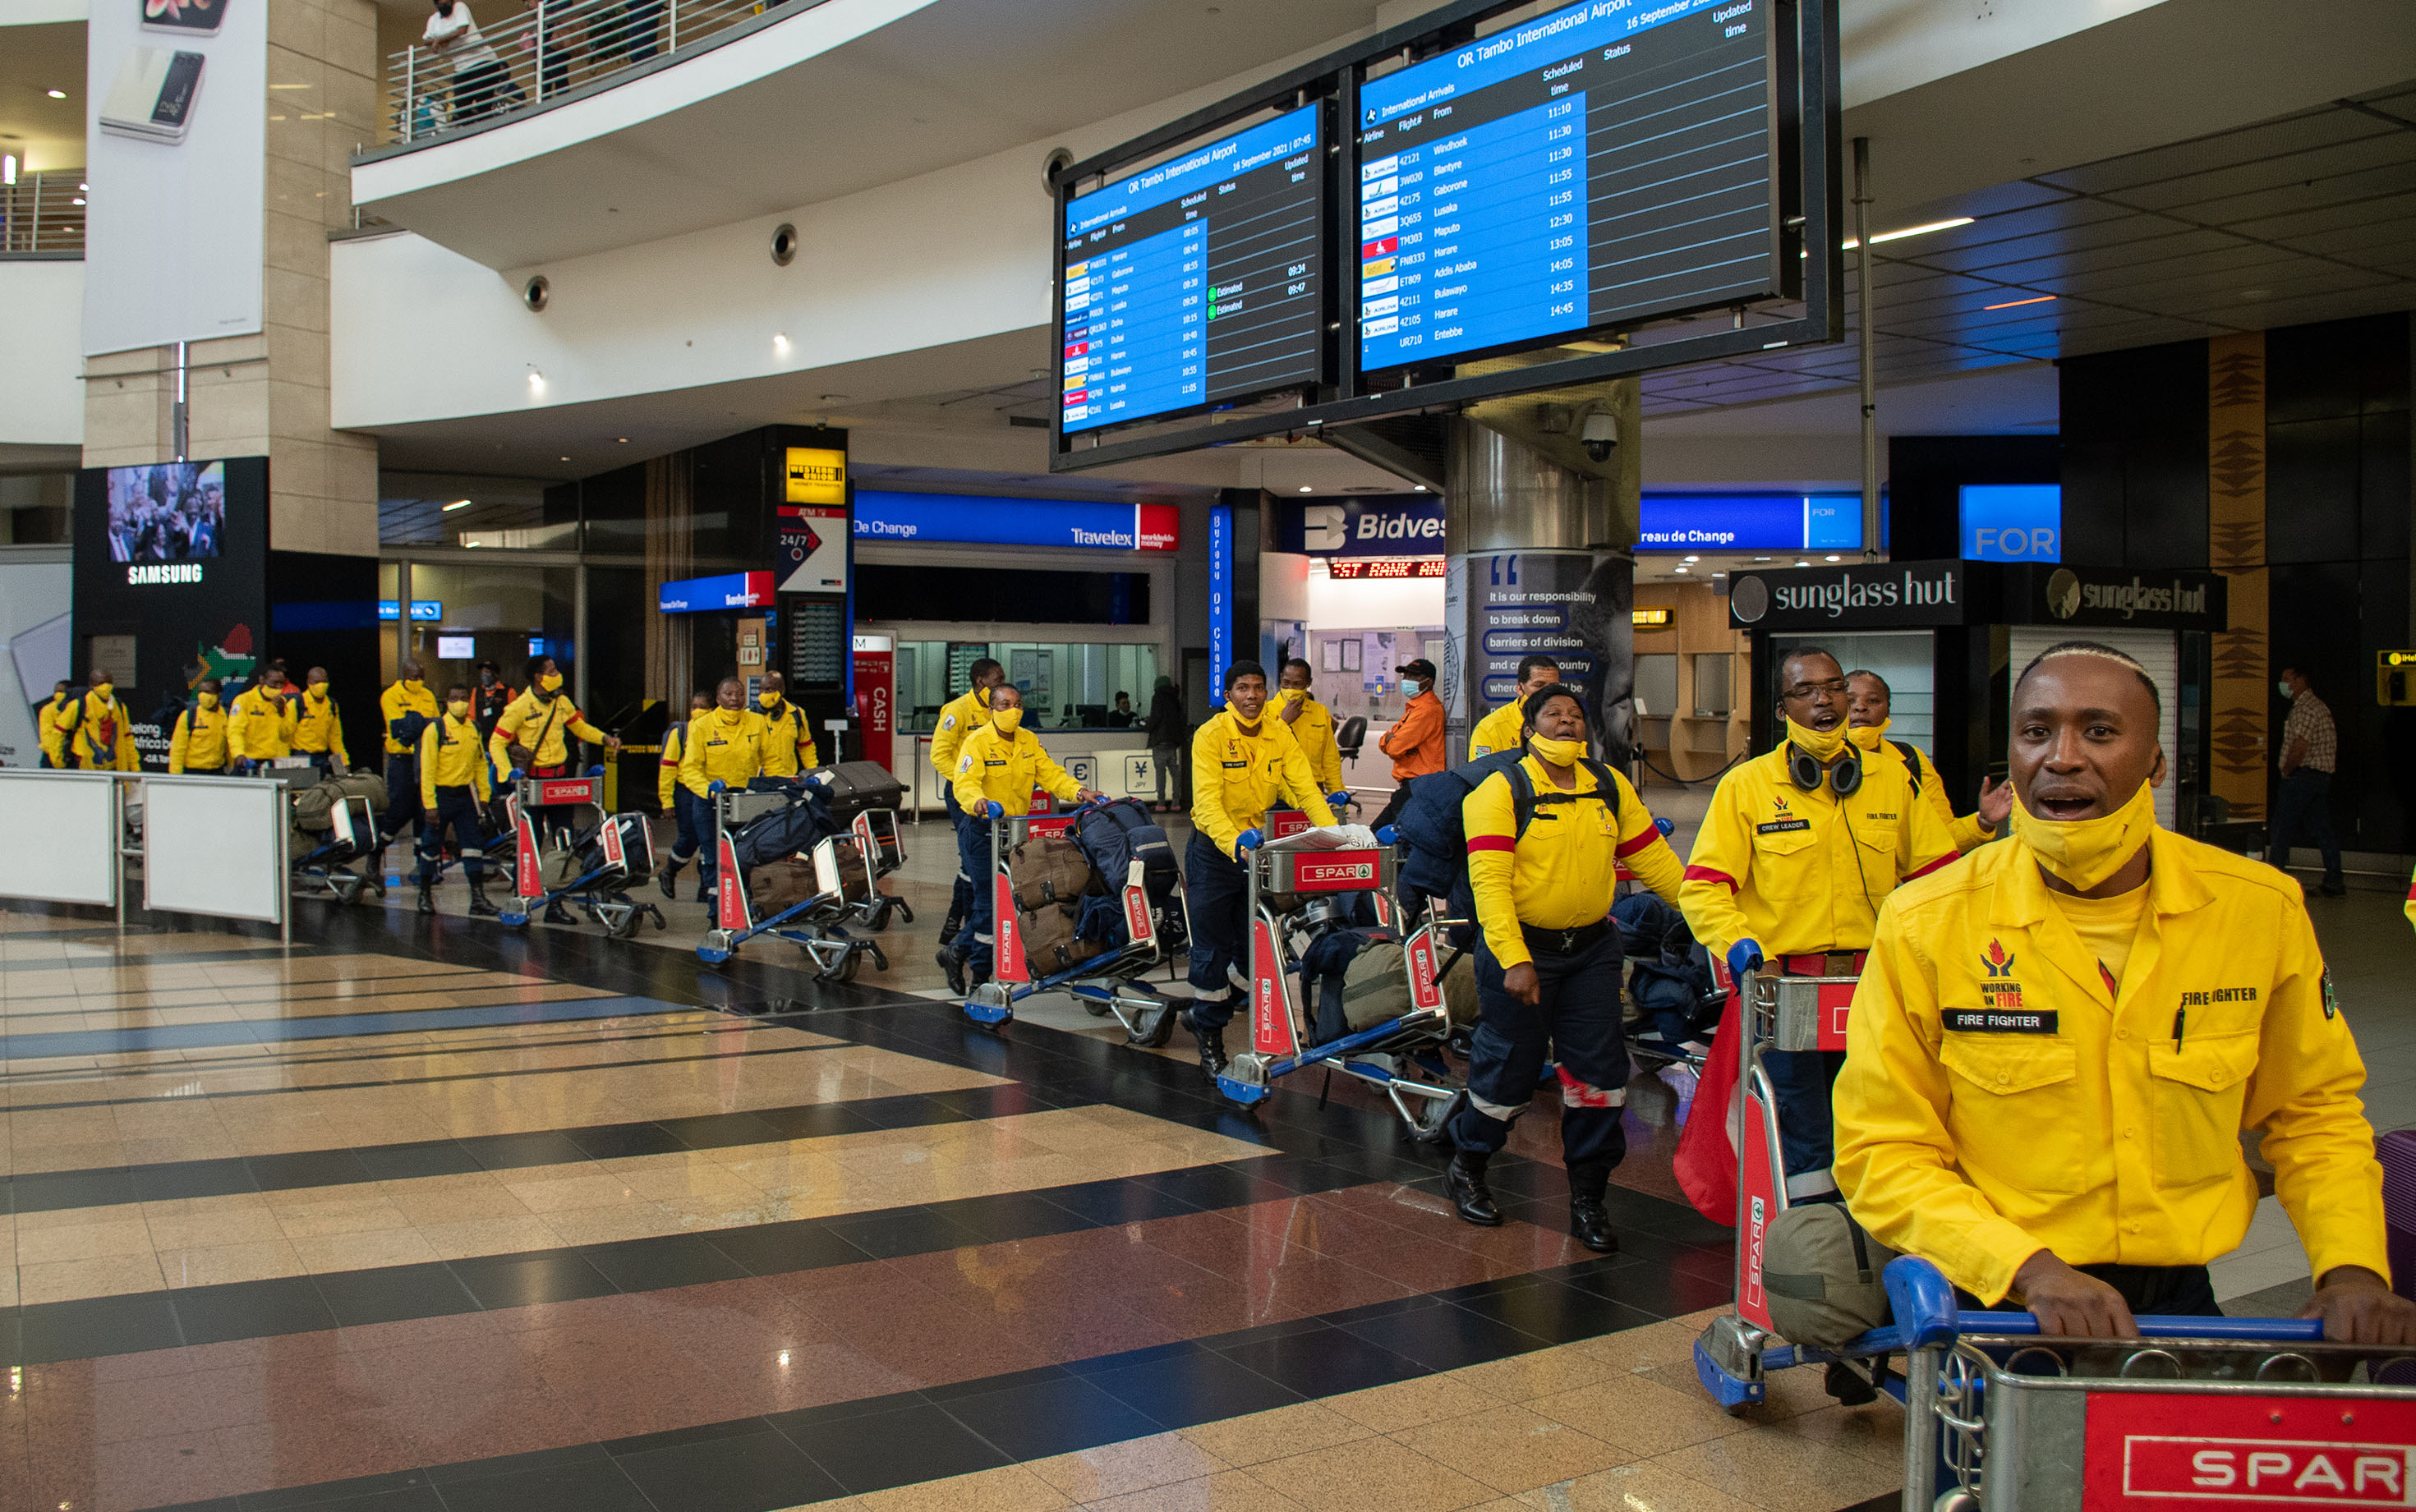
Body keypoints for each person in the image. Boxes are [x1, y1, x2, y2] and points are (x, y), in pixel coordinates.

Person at [1836, 641, 2416, 1344]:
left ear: (2156, 760)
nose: (2062, 756)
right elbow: (1882, 1149)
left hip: (2180, 1301)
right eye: (2035, 730)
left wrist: (2350, 1268)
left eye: (2100, 731)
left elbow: (2313, 1115)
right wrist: (2030, 1268)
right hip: (2000, 1300)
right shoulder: (1926, 920)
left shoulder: (2257, 909)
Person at [1677, 646, 1958, 1207]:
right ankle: (1813, 1251)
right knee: (1803, 1129)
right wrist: (1741, 945)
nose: (1825, 700)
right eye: (1806, 691)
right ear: (1783, 708)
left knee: (1872, 1120)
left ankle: (1869, 1240)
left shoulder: (1890, 779)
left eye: (1833, 688)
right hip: (1789, 989)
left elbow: (1938, 878)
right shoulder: (1748, 785)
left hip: (1874, 987)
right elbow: (1703, 887)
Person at [1443, 684, 1688, 1252]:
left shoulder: (1607, 784)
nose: (1566, 723)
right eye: (1552, 714)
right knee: (1508, 1075)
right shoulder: (1499, 791)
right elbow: (1489, 885)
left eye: (1575, 715)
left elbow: (1653, 859)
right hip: (1522, 954)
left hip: (1592, 953)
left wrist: (1712, 916)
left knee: (1601, 1079)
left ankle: (1588, 1198)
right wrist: (1514, 957)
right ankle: (1468, 1164)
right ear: (1528, 728)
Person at [1182, 661, 1337, 1077]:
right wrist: (1234, 844)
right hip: (1216, 854)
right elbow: (1208, 803)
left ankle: (1203, 1013)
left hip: (1257, 852)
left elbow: (1304, 786)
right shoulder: (1211, 735)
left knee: (1254, 951)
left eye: (1258, 688)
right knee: (1212, 949)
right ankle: (1211, 1041)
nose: (1252, 696)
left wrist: (1336, 834)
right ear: (1229, 694)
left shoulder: (1278, 732)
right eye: (1242, 688)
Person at [937, 682, 1098, 993]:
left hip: (1014, 835)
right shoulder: (978, 741)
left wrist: (1079, 792)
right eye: (1004, 705)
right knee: (988, 904)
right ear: (991, 710)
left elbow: (1050, 775)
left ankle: (956, 951)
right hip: (983, 832)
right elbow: (964, 783)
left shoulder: (1028, 741)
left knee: (1008, 903)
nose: (1013, 711)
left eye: (1017, 704)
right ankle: (982, 979)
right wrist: (978, 802)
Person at [490, 657, 619, 917]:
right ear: (539, 677)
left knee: (565, 839)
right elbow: (496, 743)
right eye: (552, 671)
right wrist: (511, 775)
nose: (557, 674)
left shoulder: (561, 702)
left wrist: (604, 739)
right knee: (531, 841)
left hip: (560, 781)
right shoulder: (519, 707)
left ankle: (555, 904)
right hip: (533, 782)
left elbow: (579, 727)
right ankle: (524, 895)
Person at [1845, 670, 2011, 853]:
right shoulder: (1813, 762)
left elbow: (1942, 839)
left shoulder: (1911, 760)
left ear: (1888, 709)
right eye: (1849, 701)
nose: (1860, 707)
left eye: (1873, 700)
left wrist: (1983, 822)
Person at [930, 659, 1006, 945]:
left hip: (995, 794)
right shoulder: (957, 710)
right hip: (965, 794)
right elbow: (940, 755)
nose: (1002, 684)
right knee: (974, 858)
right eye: (997, 680)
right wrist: (965, 780)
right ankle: (964, 926)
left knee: (977, 861)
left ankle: (957, 921)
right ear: (980, 681)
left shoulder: (1000, 709)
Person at [673, 678, 767, 903]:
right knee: (714, 856)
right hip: (710, 801)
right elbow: (690, 769)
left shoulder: (757, 722)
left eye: (739, 693)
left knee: (745, 854)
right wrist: (708, 790)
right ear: (718, 699)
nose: (734, 698)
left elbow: (770, 758)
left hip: (745, 800)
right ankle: (717, 912)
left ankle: (742, 903)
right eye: (728, 694)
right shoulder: (701, 726)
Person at [416, 684, 500, 917]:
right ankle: (424, 894)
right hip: (440, 797)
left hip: (465, 797)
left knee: (473, 847)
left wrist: (484, 796)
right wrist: (430, 805)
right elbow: (427, 770)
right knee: (431, 846)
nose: (459, 702)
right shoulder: (436, 729)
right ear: (448, 702)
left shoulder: (473, 728)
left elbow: (480, 765)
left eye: (463, 698)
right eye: (455, 698)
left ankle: (478, 898)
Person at [2269, 665, 2344, 898]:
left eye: (2287, 679)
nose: (2284, 684)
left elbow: (2300, 745)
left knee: (2282, 828)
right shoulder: (2318, 707)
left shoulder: (2305, 709)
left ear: (2302, 680)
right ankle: (2334, 881)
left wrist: (2288, 770)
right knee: (2322, 829)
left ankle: (2273, 881)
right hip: (2320, 777)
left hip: (2303, 776)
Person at [375, 662, 440, 880]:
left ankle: (423, 865)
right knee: (399, 811)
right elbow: (398, 730)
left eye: (421, 677)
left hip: (425, 760)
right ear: (404, 676)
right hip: (401, 761)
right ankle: (375, 853)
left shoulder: (428, 696)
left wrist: (418, 728)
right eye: (413, 677)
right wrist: (419, 729)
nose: (417, 681)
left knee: (425, 812)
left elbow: (436, 726)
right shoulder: (391, 696)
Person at [1371, 657, 1446, 831]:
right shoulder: (1414, 708)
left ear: (1429, 681)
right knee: (1378, 834)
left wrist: (1392, 739)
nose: (1407, 680)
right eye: (1406, 676)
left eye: (1414, 677)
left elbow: (1395, 748)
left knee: (1390, 838)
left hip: (1420, 787)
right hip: (1411, 787)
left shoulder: (1427, 710)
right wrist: (1390, 739)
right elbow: (1385, 742)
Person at [656, 691, 713, 900]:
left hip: (710, 790)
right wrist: (666, 801)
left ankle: (706, 886)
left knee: (710, 840)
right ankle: (669, 870)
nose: (697, 711)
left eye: (702, 707)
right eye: (694, 707)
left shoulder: (716, 730)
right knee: (690, 838)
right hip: (685, 790)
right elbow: (668, 768)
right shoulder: (681, 732)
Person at [422, 0, 513, 124]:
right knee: (461, 107)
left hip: (482, 60)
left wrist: (440, 40)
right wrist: (437, 41)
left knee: (483, 104)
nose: (446, 4)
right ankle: (473, 133)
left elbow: (462, 30)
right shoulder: (434, 20)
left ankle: (486, 130)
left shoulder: (459, 7)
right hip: (461, 66)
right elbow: (426, 40)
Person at [1470, 655, 1564, 760]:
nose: (1547, 692)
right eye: (1539, 685)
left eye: (1553, 686)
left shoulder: (1568, 723)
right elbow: (1481, 773)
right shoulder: (1490, 729)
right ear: (1520, 689)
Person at [1274, 659, 1343, 801]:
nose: (1290, 689)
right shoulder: (1265, 712)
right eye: (1286, 683)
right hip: (1277, 792)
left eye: (1297, 684)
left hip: (1313, 788)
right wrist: (1284, 722)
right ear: (1281, 679)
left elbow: (1330, 760)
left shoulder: (1320, 712)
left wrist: (1337, 796)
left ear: (1308, 683)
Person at [56, 669, 139, 771]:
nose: (106, 686)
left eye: (109, 682)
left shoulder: (120, 708)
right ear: (92, 686)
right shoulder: (79, 706)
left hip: (112, 765)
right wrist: (57, 760)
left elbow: (127, 738)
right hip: (84, 765)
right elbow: (58, 732)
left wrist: (135, 766)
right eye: (101, 683)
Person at [227, 660, 298, 771]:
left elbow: (286, 736)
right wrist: (238, 753)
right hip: (250, 761)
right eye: (274, 683)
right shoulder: (244, 700)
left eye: (281, 684)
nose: (278, 687)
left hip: (275, 762)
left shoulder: (284, 703)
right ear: (262, 680)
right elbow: (235, 731)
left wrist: (281, 713)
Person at [755, 670, 821, 777]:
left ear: (782, 690)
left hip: (787, 777)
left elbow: (806, 746)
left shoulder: (796, 713)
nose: (764, 694)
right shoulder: (750, 714)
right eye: (761, 690)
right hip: (757, 779)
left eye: (769, 690)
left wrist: (814, 772)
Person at [292, 667, 352, 775]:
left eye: (324, 681)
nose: (321, 685)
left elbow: (335, 738)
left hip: (322, 757)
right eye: (317, 682)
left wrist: (344, 764)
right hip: (301, 758)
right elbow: (286, 734)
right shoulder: (297, 703)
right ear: (309, 683)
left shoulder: (331, 705)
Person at [168, 679, 234, 775]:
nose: (203, 695)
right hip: (193, 771)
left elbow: (229, 746)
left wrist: (232, 768)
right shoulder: (189, 715)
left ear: (218, 694)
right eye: (200, 692)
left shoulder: (226, 716)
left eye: (207, 692)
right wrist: (175, 775)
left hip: (217, 771)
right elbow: (178, 749)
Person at [1144, 674, 1186, 813]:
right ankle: (1175, 803)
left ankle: (1161, 803)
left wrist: (1146, 725)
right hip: (1173, 742)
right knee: (1175, 773)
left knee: (1161, 774)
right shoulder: (1175, 698)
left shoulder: (1157, 697)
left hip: (1160, 741)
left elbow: (1156, 717)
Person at [471, 660, 514, 743]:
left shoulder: (508, 692)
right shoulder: (477, 691)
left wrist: (510, 740)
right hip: (480, 739)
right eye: (482, 672)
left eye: (487, 672)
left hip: (500, 740)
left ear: (496, 674)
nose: (483, 675)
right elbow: (471, 716)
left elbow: (513, 719)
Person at [36, 680, 71, 768]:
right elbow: (46, 734)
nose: (58, 694)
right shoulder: (48, 709)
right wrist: (55, 754)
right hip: (51, 754)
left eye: (61, 692)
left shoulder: (76, 707)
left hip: (70, 754)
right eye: (56, 692)